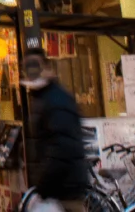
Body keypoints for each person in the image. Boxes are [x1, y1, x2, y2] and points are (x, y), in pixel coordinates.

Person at [22, 49, 89, 212]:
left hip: (64, 192)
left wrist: (43, 188)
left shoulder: (56, 100)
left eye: (35, 66)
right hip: (59, 191)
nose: (31, 71)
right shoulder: (43, 98)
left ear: (47, 67)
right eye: (27, 67)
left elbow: (61, 148)